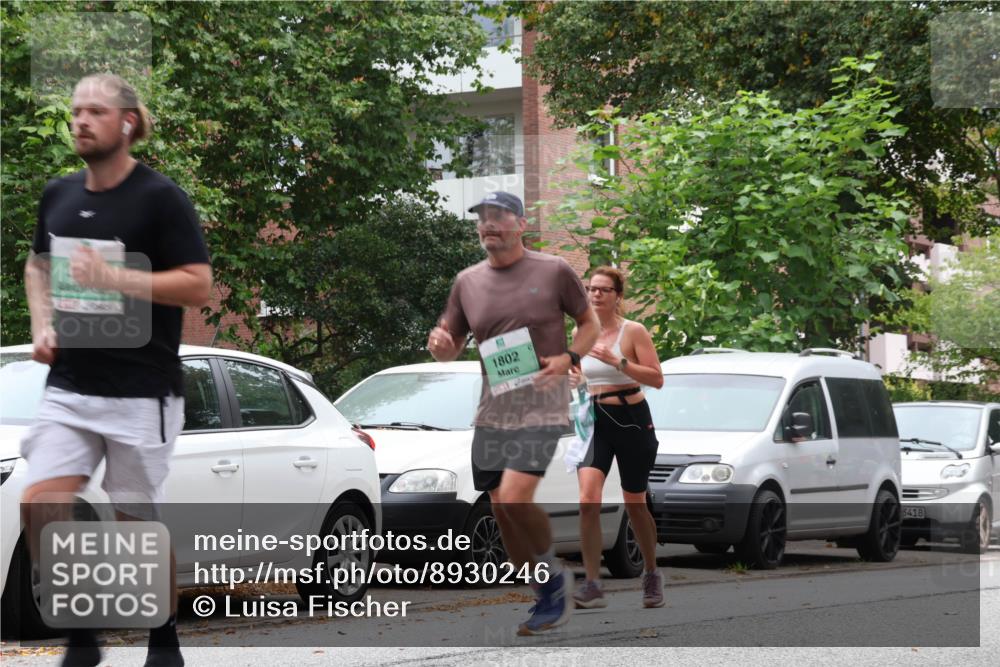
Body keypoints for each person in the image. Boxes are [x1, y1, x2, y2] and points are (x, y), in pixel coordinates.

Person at [21, 73, 212, 667]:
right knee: (40, 502)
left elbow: (198, 285)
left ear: (127, 123)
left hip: (142, 391)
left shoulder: (160, 198)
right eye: (76, 110)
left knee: (136, 528)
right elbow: (37, 266)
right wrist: (42, 324)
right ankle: (83, 634)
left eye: (95, 111)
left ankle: (163, 640)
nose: (80, 120)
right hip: (70, 387)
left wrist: (116, 278)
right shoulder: (58, 194)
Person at [427, 191, 599, 636]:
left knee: (516, 495)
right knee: (502, 508)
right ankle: (545, 586)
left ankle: (555, 582)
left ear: (521, 224)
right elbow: (450, 343)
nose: (488, 224)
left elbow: (590, 324)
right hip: (493, 412)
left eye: (499, 216)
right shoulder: (467, 282)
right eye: (483, 217)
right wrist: (441, 346)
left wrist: (569, 359)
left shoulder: (553, 270)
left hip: (542, 406)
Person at [570, 266, 665, 609]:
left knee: (635, 502)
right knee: (587, 500)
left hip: (632, 420)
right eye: (591, 288)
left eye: (603, 290)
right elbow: (579, 376)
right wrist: (576, 381)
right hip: (594, 420)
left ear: (618, 296)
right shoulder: (580, 332)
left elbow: (656, 379)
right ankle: (592, 584)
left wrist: (619, 361)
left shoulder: (633, 331)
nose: (595, 294)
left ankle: (651, 572)